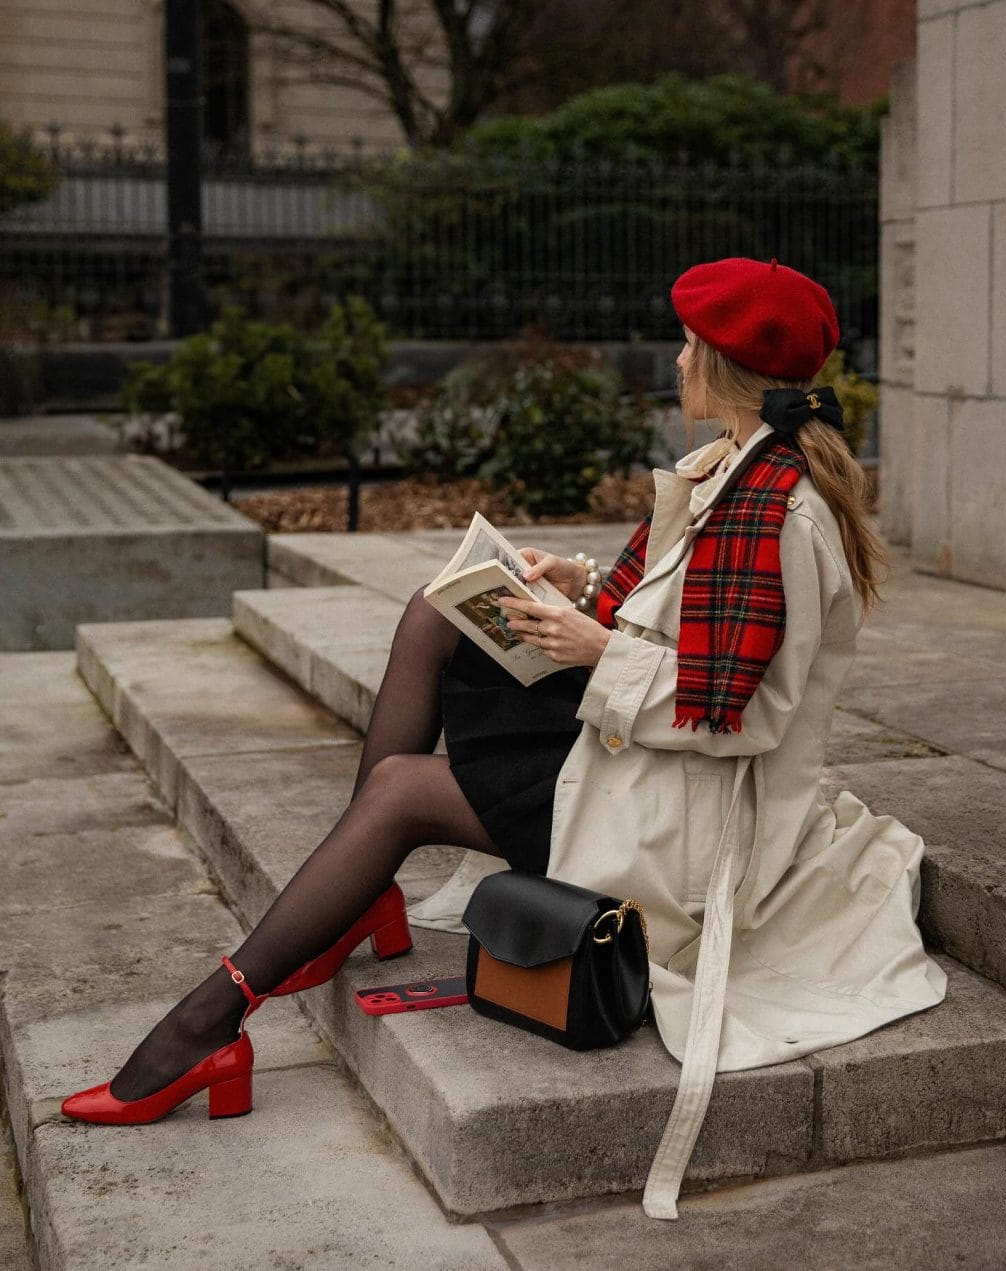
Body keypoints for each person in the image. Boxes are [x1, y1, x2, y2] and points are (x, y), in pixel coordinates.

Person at [62, 259, 945, 1219]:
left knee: (401, 790)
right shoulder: (727, 469)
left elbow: (743, 715)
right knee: (434, 615)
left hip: (685, 819)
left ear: (726, 363)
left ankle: (215, 1015)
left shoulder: (777, 511)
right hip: (646, 758)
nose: (677, 355)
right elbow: (662, 610)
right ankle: (345, 900)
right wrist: (567, 584)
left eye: (690, 342)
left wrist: (596, 645)